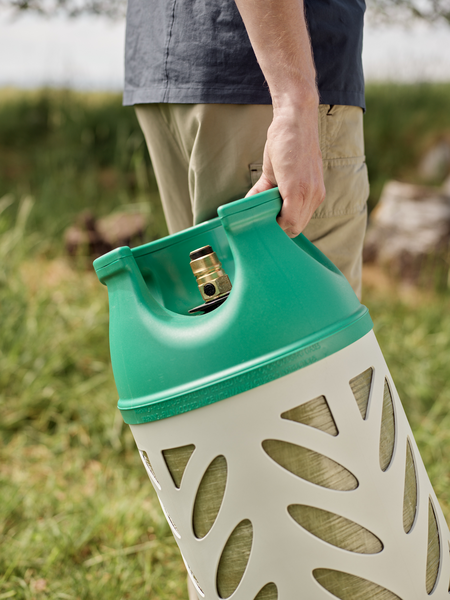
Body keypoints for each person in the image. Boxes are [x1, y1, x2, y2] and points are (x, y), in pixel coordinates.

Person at [124, 0, 367, 592]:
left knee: (230, 407)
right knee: (311, 412)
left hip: (178, 66)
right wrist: (293, 102)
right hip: (263, 73)